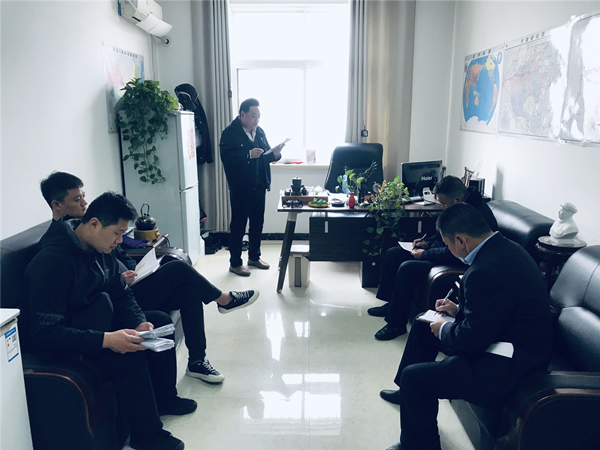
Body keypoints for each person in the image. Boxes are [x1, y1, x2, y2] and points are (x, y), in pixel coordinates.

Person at [40, 171, 259, 384]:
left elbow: (120, 255)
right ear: (56, 205)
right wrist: (117, 279)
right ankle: (223, 299)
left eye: (84, 196)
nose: (84, 203)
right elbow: (86, 291)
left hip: (128, 285)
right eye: (77, 199)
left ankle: (197, 361)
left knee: (189, 292)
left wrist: (133, 269)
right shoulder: (62, 247)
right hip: (114, 298)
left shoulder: (95, 232)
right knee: (178, 268)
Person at [24, 192, 194, 450]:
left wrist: (138, 322)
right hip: (68, 343)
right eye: (117, 233)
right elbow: (44, 333)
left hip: (96, 323)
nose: (120, 241)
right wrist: (107, 340)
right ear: (94, 224)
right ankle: (146, 436)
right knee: (128, 354)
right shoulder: (51, 263)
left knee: (158, 322)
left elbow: (121, 293)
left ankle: (165, 399)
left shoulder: (100, 249)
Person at [381, 203, 552, 450]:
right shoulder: (507, 249)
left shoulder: (485, 270)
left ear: (460, 240)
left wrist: (444, 329)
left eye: (448, 244)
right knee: (422, 323)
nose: (450, 251)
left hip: (508, 365)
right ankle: (405, 394)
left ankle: (418, 445)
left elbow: (471, 340)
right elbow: (498, 309)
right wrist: (457, 309)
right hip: (508, 340)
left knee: (414, 378)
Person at [370, 176, 498, 340]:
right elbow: (443, 234)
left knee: (408, 268)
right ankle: (391, 305)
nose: (442, 207)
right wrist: (427, 242)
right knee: (394, 253)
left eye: (443, 203)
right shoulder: (459, 207)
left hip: (458, 260)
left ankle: (396, 324)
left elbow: (456, 251)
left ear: (457, 199)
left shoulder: (473, 215)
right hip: (443, 250)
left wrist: (424, 254)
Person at [219, 98, 285, 276]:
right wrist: (247, 154)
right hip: (241, 187)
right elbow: (226, 158)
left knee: (257, 223)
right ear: (243, 114)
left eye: (259, 116)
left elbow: (265, 156)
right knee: (239, 225)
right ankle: (235, 263)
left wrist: (275, 154)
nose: (257, 120)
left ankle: (254, 257)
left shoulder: (260, 132)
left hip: (259, 185)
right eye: (253, 116)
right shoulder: (230, 133)